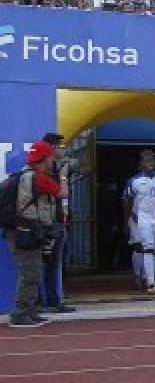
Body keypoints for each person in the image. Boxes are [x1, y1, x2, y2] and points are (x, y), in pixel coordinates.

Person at [4, 141, 60, 327]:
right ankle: (20, 315)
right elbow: (62, 192)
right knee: (31, 275)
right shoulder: (38, 178)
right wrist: (65, 176)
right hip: (27, 232)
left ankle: (29, 311)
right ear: (44, 160)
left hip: (17, 230)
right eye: (51, 158)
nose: (53, 161)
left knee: (29, 272)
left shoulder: (21, 176)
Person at [38, 133, 73, 314]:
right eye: (60, 146)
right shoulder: (47, 172)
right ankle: (42, 301)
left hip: (60, 221)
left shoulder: (58, 168)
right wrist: (64, 177)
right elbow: (62, 193)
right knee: (45, 263)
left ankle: (53, 300)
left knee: (55, 263)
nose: (63, 149)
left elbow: (84, 166)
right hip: (48, 223)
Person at [124, 149, 155, 296]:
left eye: (152, 160)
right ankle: (147, 280)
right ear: (141, 164)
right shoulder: (134, 181)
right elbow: (127, 202)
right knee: (144, 247)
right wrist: (127, 220)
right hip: (141, 218)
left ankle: (149, 274)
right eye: (146, 161)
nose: (150, 163)